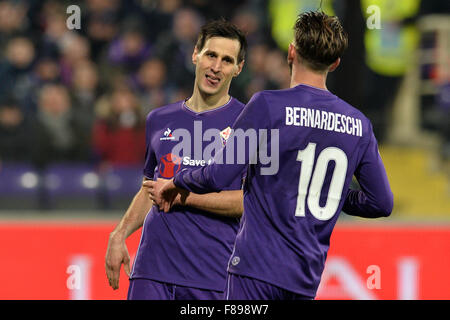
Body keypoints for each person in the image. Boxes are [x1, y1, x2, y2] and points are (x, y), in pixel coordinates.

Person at [149, 11, 393, 300]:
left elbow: (217, 175)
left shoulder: (268, 105)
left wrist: (179, 180)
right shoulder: (358, 125)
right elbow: (381, 202)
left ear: (291, 52)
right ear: (335, 63)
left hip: (255, 271)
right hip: (305, 278)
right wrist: (333, 195)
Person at [105, 19, 248, 300]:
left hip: (212, 275)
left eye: (227, 60)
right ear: (195, 54)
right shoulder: (159, 119)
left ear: (238, 69)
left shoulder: (248, 124)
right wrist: (120, 233)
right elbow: (151, 188)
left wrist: (183, 195)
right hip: (151, 270)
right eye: (210, 55)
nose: (216, 67)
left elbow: (249, 202)